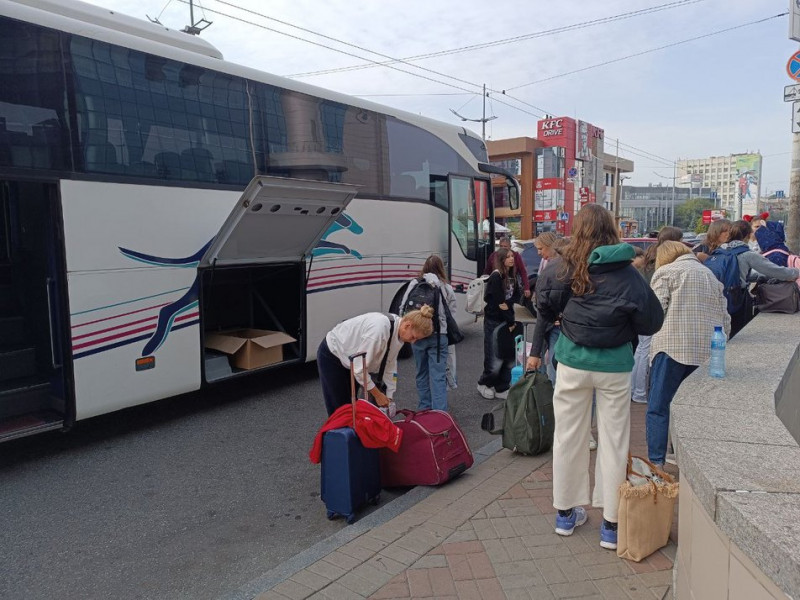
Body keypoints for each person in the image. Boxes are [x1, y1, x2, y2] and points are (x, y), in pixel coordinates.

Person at [526, 204, 664, 551]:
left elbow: (544, 307)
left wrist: (565, 321)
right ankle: (611, 525)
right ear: (612, 230)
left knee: (568, 437)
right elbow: (651, 322)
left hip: (572, 361)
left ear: (578, 230)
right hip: (615, 366)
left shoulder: (562, 268)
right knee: (614, 440)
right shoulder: (629, 273)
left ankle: (564, 514)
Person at [647, 241, 730, 466]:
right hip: (706, 353)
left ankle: (656, 462)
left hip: (671, 347)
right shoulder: (711, 276)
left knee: (658, 407)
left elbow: (656, 312)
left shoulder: (666, 272)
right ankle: (690, 461)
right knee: (692, 408)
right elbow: (725, 318)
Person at [317, 308, 433, 416]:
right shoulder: (378, 331)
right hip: (333, 354)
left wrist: (389, 396)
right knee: (340, 409)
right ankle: (337, 435)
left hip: (351, 357)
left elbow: (389, 364)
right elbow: (360, 370)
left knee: (352, 407)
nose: (413, 342)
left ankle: (350, 435)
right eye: (413, 337)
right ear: (407, 325)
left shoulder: (397, 332)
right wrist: (378, 395)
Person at [718, 220, 800, 337]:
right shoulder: (747, 254)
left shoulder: (721, 251)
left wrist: (758, 276)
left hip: (717, 295)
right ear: (747, 235)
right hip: (736, 299)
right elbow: (776, 271)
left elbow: (737, 272)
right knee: (737, 334)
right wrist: (796, 272)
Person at [631, 226, 683, 405]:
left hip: (641, 308)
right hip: (653, 310)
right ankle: (639, 392)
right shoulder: (665, 259)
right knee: (646, 351)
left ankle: (634, 390)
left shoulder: (649, 255)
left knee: (641, 350)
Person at [399, 255, 457, 411]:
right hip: (439, 337)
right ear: (441, 269)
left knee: (421, 374)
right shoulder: (446, 287)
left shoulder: (414, 284)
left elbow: (402, 308)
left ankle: (424, 409)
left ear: (424, 267)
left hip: (417, 335)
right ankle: (439, 414)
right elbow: (451, 313)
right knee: (438, 377)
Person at [477, 247, 522, 400]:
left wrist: (507, 304)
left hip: (508, 320)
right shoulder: (496, 277)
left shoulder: (513, 276)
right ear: (501, 259)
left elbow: (516, 296)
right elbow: (497, 302)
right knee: (494, 357)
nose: (511, 259)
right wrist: (507, 310)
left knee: (508, 355)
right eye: (507, 257)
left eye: (512, 256)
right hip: (495, 321)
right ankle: (485, 383)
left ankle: (501, 386)